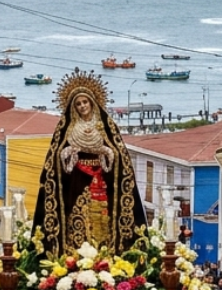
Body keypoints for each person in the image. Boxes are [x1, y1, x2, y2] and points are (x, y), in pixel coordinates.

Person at [31, 76, 148, 256]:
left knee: (104, 219)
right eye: (78, 104)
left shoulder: (105, 126)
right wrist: (69, 153)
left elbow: (118, 154)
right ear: (74, 107)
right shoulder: (68, 128)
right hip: (76, 181)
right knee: (77, 219)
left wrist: (105, 153)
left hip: (102, 180)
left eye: (85, 102)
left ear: (92, 102)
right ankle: (74, 256)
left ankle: (107, 254)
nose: (83, 106)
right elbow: (56, 156)